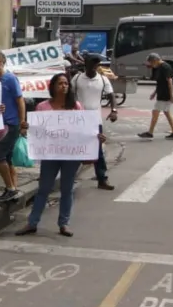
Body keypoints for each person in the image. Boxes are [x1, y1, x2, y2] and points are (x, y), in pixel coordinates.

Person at [17, 73, 106, 237]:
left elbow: (84, 130)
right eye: (60, 83)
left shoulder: (76, 106)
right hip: (50, 154)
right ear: (53, 87)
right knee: (43, 188)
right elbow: (37, 130)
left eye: (66, 83)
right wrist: (27, 126)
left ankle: (64, 224)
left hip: (70, 156)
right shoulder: (42, 107)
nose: (64, 86)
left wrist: (97, 137)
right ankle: (32, 222)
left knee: (67, 189)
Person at [71, 53, 118, 190]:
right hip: (78, 119)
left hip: (95, 121)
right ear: (85, 65)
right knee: (76, 149)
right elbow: (70, 94)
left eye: (96, 64)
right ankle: (70, 177)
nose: (94, 67)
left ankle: (102, 179)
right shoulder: (78, 78)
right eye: (91, 64)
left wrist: (114, 110)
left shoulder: (103, 80)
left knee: (97, 150)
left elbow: (111, 95)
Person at [0, 49, 27, 202]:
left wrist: (22, 122)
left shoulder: (10, 78)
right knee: (8, 159)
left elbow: (20, 101)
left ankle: (10, 189)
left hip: (11, 124)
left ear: (3, 62)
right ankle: (13, 190)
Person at [138, 52, 173, 140]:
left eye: (151, 63)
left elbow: (170, 82)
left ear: (155, 60)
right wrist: (154, 93)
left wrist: (171, 96)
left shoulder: (165, 67)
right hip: (164, 91)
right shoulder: (159, 67)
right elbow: (160, 82)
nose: (151, 65)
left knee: (155, 111)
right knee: (166, 112)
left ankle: (150, 132)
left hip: (167, 93)